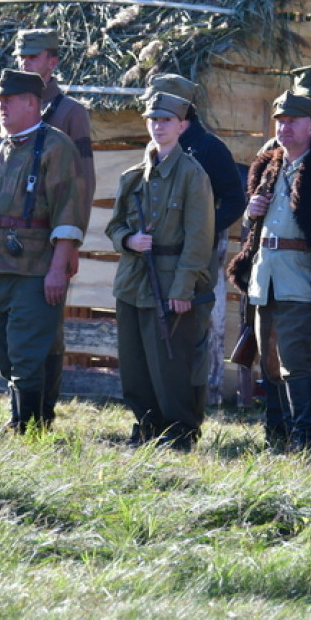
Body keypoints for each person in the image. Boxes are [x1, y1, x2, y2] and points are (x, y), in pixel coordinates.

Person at [228, 92, 311, 451]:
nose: (284, 128)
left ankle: (306, 442)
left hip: (301, 280)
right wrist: (250, 211)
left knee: (295, 363)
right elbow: (257, 226)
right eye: (280, 121)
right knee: (269, 365)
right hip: (265, 279)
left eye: (292, 121)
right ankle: (280, 439)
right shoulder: (270, 165)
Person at [0, 69, 86, 432]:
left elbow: (69, 210)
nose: (0, 106)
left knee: (26, 351)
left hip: (35, 268)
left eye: (8, 99)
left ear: (32, 103)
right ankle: (29, 417)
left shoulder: (56, 146)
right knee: (2, 349)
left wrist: (58, 267)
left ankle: (28, 425)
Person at [107, 92, 214, 450]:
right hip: (132, 281)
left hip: (169, 284)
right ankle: (147, 427)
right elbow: (114, 225)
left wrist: (183, 289)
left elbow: (199, 240)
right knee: (135, 364)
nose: (158, 126)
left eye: (166, 120)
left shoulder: (192, 175)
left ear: (182, 126)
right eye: (153, 119)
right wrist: (128, 240)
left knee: (170, 364)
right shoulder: (133, 176)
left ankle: (180, 433)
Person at [141, 73, 246, 406]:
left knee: (188, 333)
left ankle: (187, 409)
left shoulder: (209, 148)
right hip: (154, 256)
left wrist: (205, 229)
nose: (156, 114)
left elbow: (234, 198)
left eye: (165, 105)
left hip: (195, 256)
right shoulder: (155, 147)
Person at [13, 28, 95, 425]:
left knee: (49, 328)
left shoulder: (70, 113)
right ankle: (20, 409)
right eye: (22, 56)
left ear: (53, 61)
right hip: (14, 239)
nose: (27, 62)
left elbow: (84, 180)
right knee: (14, 322)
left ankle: (42, 411)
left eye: (35, 56)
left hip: (52, 235)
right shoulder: (11, 106)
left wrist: (72, 241)